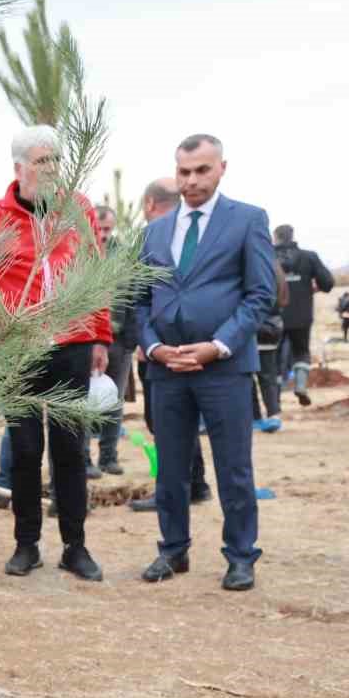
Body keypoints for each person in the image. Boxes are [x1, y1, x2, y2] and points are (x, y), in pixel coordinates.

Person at [0, 126, 111, 582]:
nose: (50, 170)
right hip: (18, 350)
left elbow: (97, 274)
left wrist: (100, 336)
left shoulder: (78, 209)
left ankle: (75, 545)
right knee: (25, 451)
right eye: (42, 161)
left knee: (71, 449)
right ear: (19, 167)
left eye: (56, 161)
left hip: (72, 344)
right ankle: (26, 544)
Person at [133, 135, 276, 591]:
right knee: (171, 467)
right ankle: (172, 550)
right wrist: (154, 347)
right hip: (167, 369)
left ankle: (240, 556)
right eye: (184, 172)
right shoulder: (154, 231)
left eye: (201, 170)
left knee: (233, 467)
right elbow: (137, 301)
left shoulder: (248, 220)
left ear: (221, 169)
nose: (191, 180)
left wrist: (218, 345)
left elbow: (260, 296)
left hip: (224, 369)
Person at [129, 178, 212, 512]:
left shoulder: (154, 238)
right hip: (184, 345)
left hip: (163, 351)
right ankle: (198, 483)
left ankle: (181, 488)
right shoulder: (185, 236)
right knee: (181, 421)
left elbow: (138, 298)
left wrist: (145, 342)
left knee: (165, 423)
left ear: (149, 203)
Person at [94, 204, 137, 476]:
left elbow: (133, 296)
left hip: (118, 340)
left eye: (108, 229)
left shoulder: (123, 255)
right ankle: (82, 460)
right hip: (86, 342)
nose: (104, 235)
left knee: (114, 401)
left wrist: (131, 340)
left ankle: (108, 456)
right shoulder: (80, 252)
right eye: (99, 230)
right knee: (84, 401)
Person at [271, 224, 334, 408]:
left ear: (275, 238)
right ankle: (300, 385)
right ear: (292, 236)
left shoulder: (267, 257)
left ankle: (274, 403)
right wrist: (313, 287)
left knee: (272, 359)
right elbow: (328, 283)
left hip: (274, 316)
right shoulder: (309, 257)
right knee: (301, 352)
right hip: (302, 315)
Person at [250, 260, 292, 432]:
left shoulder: (256, 265)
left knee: (248, 376)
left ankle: (255, 417)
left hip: (255, 326)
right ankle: (274, 414)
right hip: (273, 327)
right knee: (268, 375)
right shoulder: (276, 267)